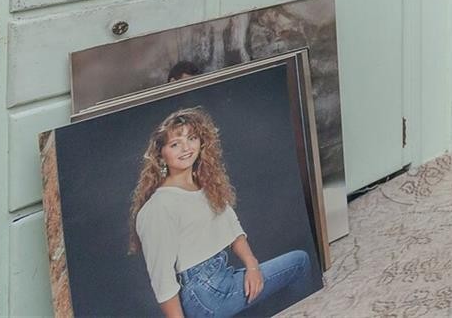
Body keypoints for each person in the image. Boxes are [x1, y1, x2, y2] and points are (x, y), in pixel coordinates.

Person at [128, 107, 315, 318]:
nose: (186, 147)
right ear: (161, 155)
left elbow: (233, 227)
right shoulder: (159, 206)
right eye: (175, 144)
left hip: (221, 278)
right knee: (299, 262)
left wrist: (252, 266)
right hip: (205, 293)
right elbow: (162, 280)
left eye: (192, 138)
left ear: (202, 142)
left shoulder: (206, 186)